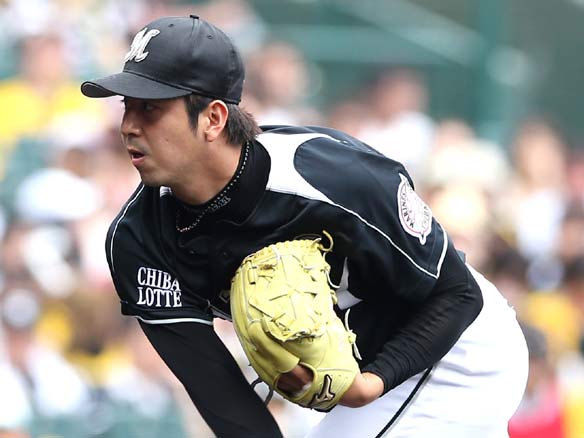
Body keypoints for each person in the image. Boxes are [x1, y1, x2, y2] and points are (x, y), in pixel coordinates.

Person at [81, 15, 528, 438]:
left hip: (455, 350)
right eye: (127, 106)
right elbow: (218, 391)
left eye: (151, 109)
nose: (128, 126)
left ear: (213, 119)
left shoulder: (330, 176)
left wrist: (371, 383)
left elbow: (457, 294)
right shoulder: (137, 242)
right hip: (368, 377)